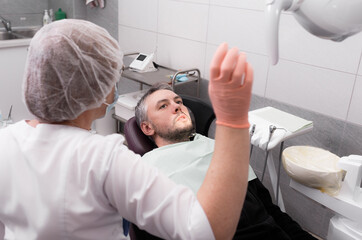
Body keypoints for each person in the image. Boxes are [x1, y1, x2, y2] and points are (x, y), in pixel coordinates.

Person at [0, 19, 253, 240]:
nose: (113, 84)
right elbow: (206, 231)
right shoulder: (102, 159)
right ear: (92, 87)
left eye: (177, 101)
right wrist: (233, 119)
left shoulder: (5, 142)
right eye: (111, 77)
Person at [134, 83, 318, 240]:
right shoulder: (146, 172)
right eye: (163, 106)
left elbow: (271, 210)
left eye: (178, 102)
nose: (177, 107)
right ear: (147, 127)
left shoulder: (219, 149)